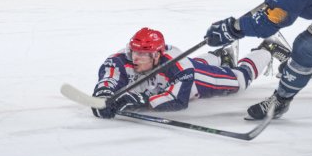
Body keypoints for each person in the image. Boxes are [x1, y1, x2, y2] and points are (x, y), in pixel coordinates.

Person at [90, 27, 290, 119]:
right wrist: (103, 98)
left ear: (157, 55)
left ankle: (267, 48)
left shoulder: (178, 66)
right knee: (194, 63)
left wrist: (141, 100)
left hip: (194, 81)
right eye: (135, 52)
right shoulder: (119, 61)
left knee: (239, 81)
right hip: (186, 68)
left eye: (144, 54)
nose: (136, 58)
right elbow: (108, 79)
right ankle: (221, 55)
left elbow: (178, 99)